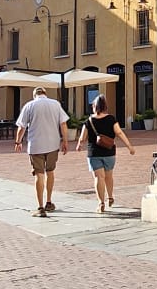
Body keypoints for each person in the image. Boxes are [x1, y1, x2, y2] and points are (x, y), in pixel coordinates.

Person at [15, 85, 70, 217]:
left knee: (39, 175)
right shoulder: (55, 104)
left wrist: (18, 141)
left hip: (35, 145)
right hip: (52, 144)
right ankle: (49, 202)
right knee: (50, 172)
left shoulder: (29, 105)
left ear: (35, 95)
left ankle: (40, 207)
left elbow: (21, 126)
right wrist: (65, 141)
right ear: (45, 93)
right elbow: (63, 124)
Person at [79, 92, 136, 213]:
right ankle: (110, 197)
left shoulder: (88, 121)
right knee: (108, 176)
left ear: (94, 106)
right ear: (105, 106)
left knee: (98, 177)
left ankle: (101, 203)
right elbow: (119, 133)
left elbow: (82, 138)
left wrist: (79, 145)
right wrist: (129, 146)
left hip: (94, 153)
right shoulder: (111, 119)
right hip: (109, 152)